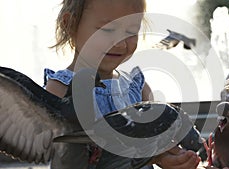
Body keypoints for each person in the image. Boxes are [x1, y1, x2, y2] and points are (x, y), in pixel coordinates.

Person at [44, 0, 201, 169]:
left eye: (131, 32)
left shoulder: (138, 88)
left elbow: (154, 146)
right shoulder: (60, 89)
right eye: (107, 30)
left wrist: (168, 159)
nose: (120, 43)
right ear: (70, 24)